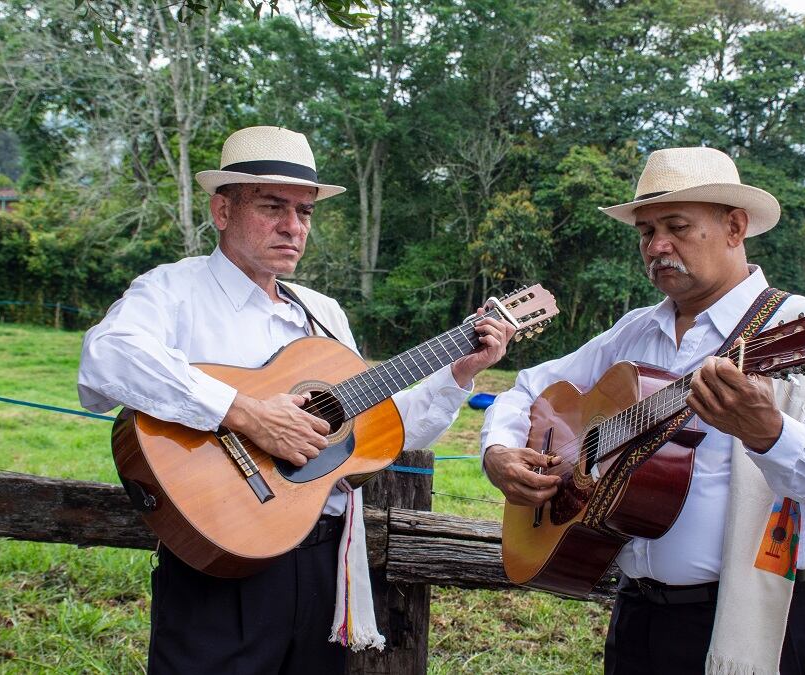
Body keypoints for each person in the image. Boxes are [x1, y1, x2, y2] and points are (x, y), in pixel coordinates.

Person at [78, 125, 515, 674]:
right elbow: (106, 358)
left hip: (324, 563)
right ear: (222, 210)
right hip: (218, 561)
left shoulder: (323, 313)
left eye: (305, 211)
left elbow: (374, 435)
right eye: (272, 206)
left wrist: (457, 374)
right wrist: (249, 414)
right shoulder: (173, 291)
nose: (293, 226)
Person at [480, 147, 805, 675]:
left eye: (678, 227)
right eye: (646, 231)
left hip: (759, 625)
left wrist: (772, 434)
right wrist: (499, 450)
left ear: (735, 227)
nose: (657, 246)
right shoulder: (634, 331)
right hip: (636, 617)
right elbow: (527, 387)